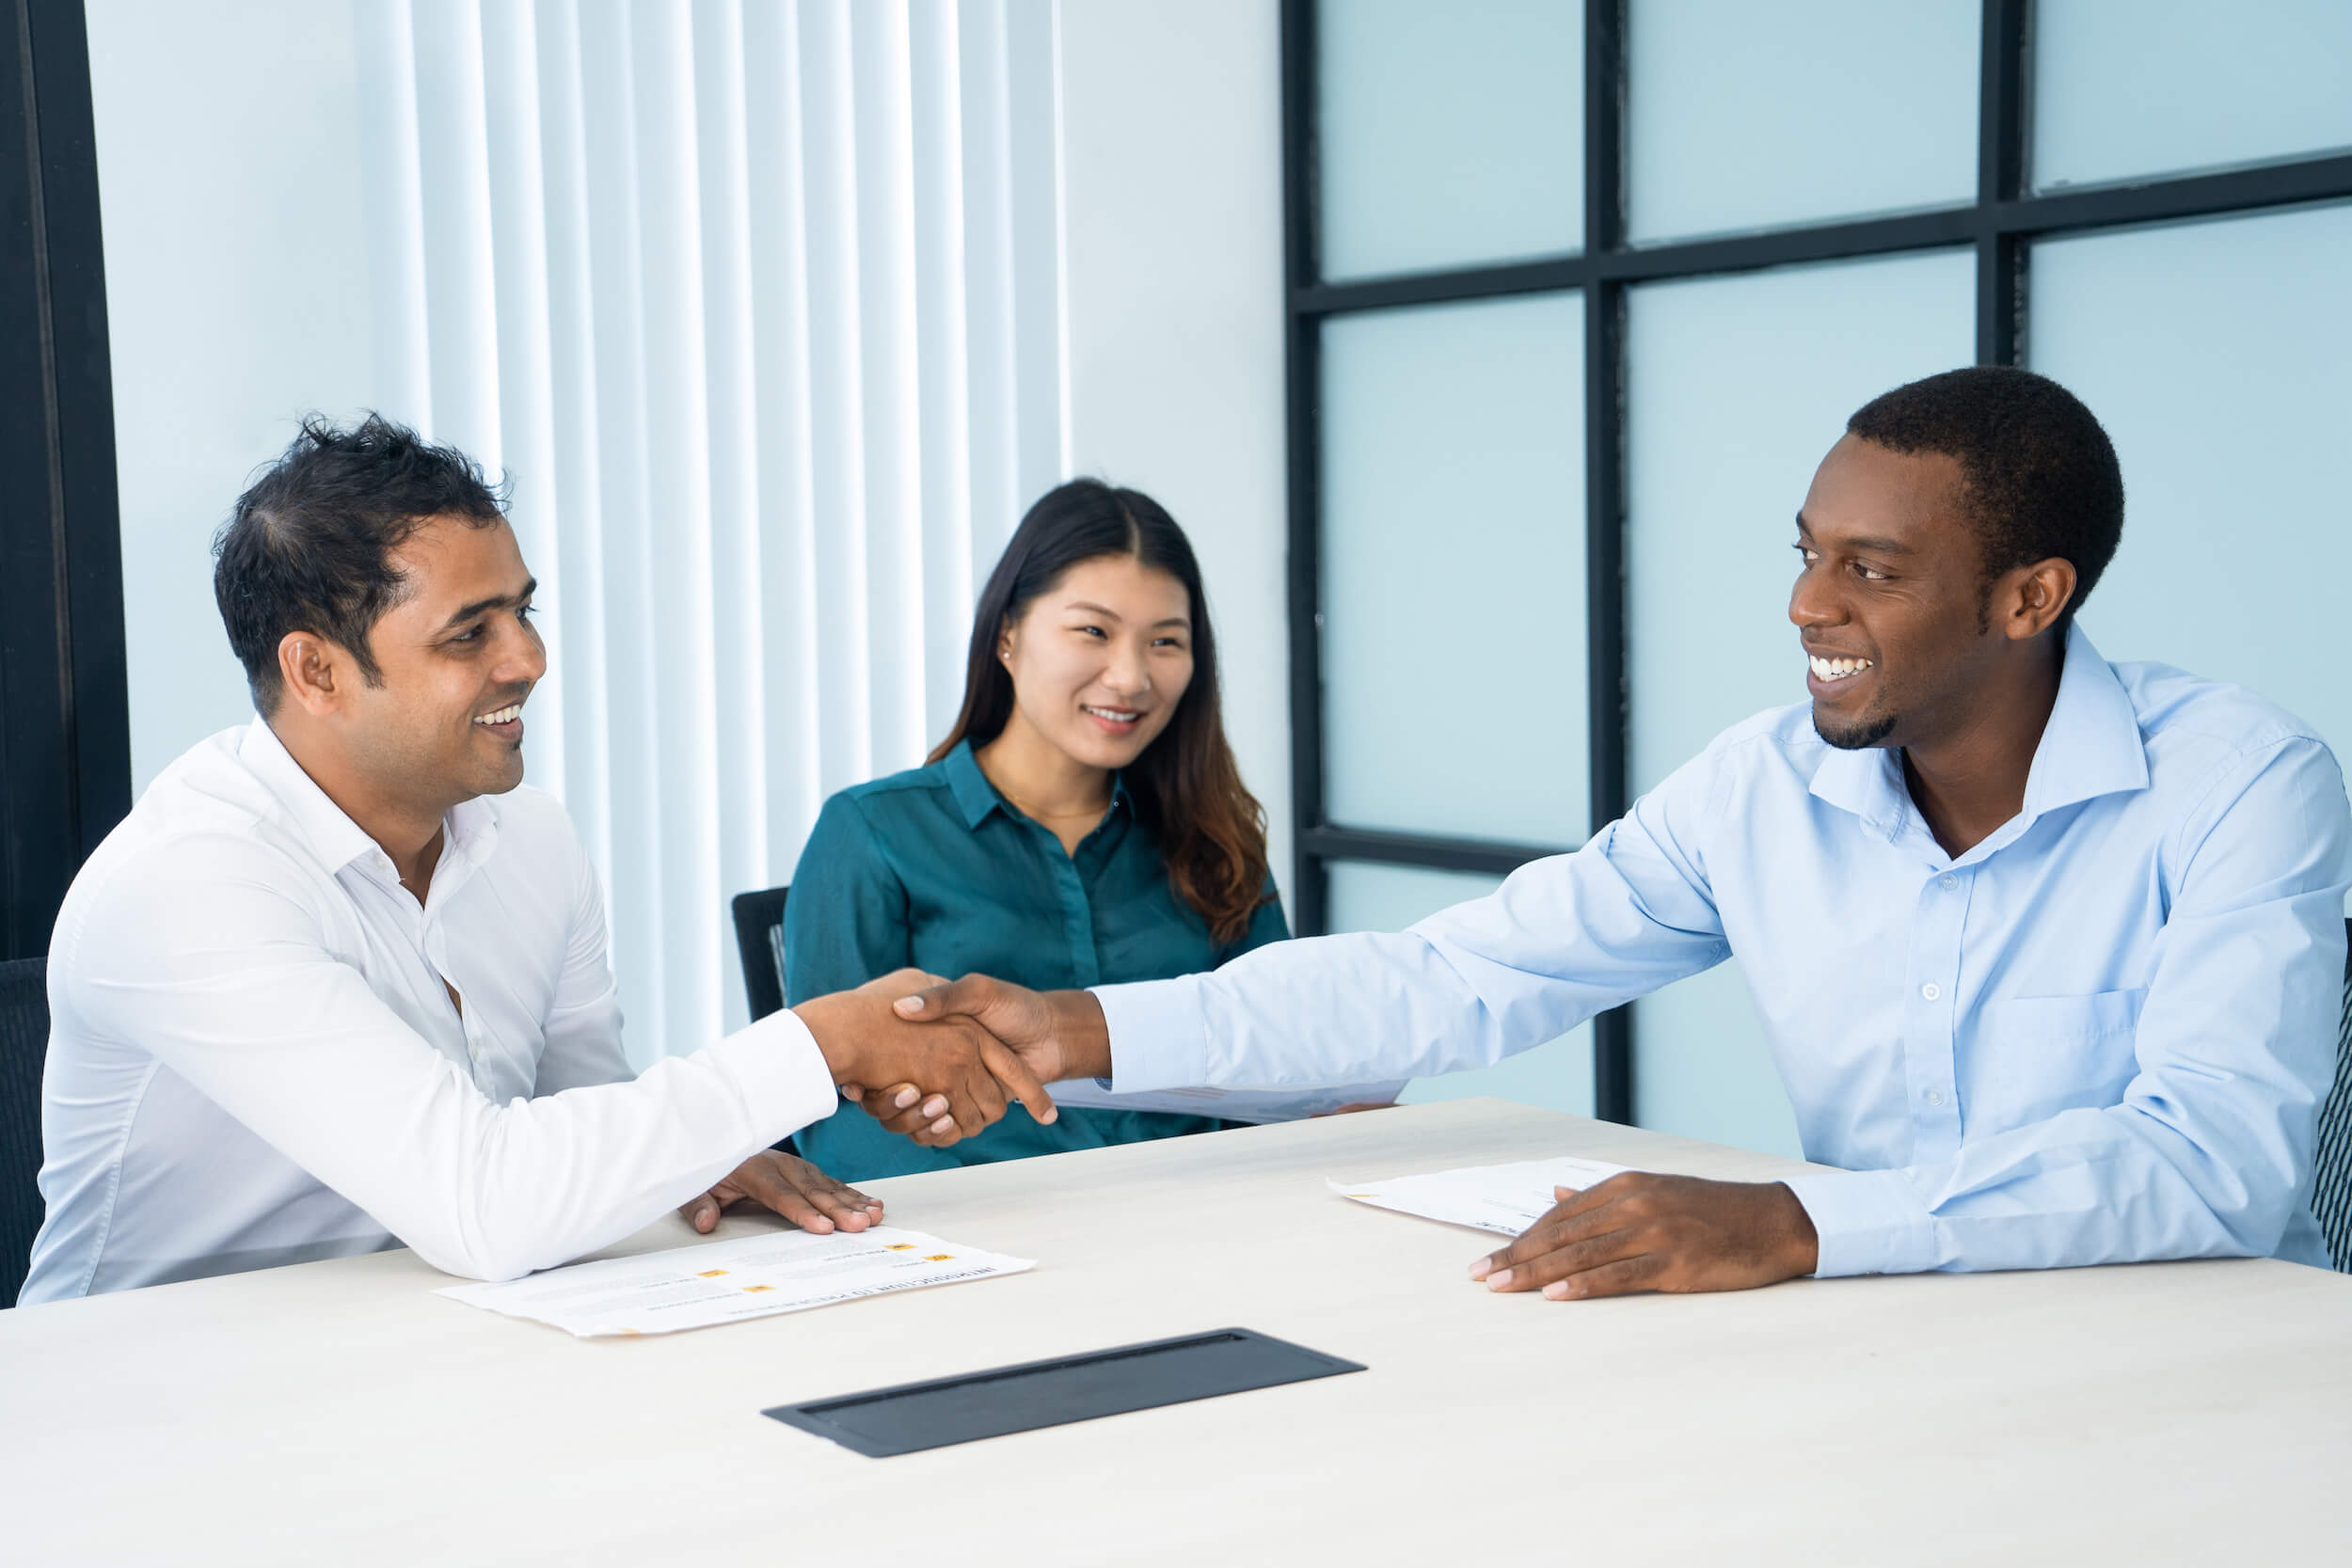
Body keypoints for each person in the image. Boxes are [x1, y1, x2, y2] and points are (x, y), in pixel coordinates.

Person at [881, 367, 2352, 1296]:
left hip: (2206, 1335)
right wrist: (1084, 1027)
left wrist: (1787, 1220)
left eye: (1872, 568)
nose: (1806, 606)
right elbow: (1449, 975)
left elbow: (2214, 1162)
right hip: (1884, 1329)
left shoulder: (2238, 779)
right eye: (1806, 552)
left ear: (2031, 597)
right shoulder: (1761, 787)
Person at [22, 417, 1051, 1303]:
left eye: (523, 609)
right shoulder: (186, 884)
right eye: (470, 633)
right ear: (317, 669)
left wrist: (688, 1161)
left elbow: (571, 1122)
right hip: (150, 1407)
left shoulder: (533, 840)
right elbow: (487, 1203)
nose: (528, 659)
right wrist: (814, 1048)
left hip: (424, 1350)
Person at [788, 479, 1392, 1180]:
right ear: (1008, 632)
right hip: (980, 1238)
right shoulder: (871, 833)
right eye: (1094, 631)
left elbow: (1285, 1046)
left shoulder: (1215, 834)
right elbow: (832, 1113)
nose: (1131, 676)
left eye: (1166, 641)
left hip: (1208, 1220)